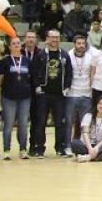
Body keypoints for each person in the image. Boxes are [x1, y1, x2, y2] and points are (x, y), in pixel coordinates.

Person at [30, 28, 71, 157]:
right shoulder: (41, 55)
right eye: (52, 37)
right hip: (44, 94)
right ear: (47, 39)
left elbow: (69, 72)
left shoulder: (64, 55)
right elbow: (34, 72)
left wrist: (67, 87)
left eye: (57, 37)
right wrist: (37, 86)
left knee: (60, 123)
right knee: (41, 122)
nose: (55, 40)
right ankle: (39, 149)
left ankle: (60, 148)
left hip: (59, 95)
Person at [0, 39, 33, 160]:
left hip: (25, 97)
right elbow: (0, 79)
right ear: (9, 47)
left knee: (23, 124)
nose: (16, 45)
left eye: (18, 43)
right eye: (13, 43)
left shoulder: (27, 61)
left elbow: (30, 77)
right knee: (8, 124)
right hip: (9, 97)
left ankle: (23, 149)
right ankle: (6, 149)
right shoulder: (5, 61)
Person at [74, 96, 102, 162]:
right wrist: (90, 148)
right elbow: (85, 133)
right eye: (100, 103)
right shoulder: (88, 116)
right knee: (75, 143)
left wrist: (96, 148)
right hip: (86, 145)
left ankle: (88, 157)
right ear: (96, 105)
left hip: (99, 146)